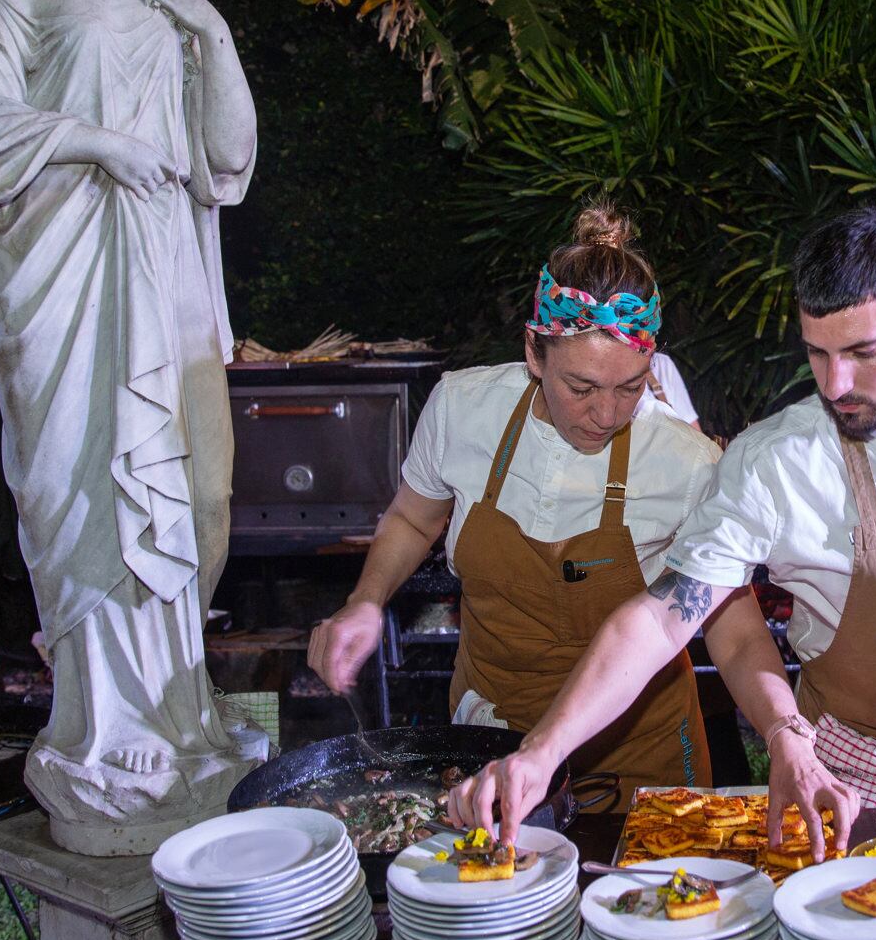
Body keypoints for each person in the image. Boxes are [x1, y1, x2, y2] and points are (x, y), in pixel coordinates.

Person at [448, 205, 876, 855]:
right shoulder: (776, 463)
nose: (836, 383)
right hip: (850, 791)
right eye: (817, 353)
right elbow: (659, 619)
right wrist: (543, 750)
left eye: (862, 352)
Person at [0, 0, 265, 853]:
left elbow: (227, 159)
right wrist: (93, 142)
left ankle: (181, 707)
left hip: (166, 280)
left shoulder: (167, 6)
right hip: (69, 289)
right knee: (92, 499)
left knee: (198, 494)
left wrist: (208, 33)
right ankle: (107, 728)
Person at [306, 207, 722, 798]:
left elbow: (727, 616)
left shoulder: (686, 461)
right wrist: (367, 600)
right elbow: (411, 517)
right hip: (492, 736)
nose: (605, 414)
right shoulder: (462, 409)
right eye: (581, 387)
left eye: (629, 387)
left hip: (639, 748)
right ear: (534, 353)